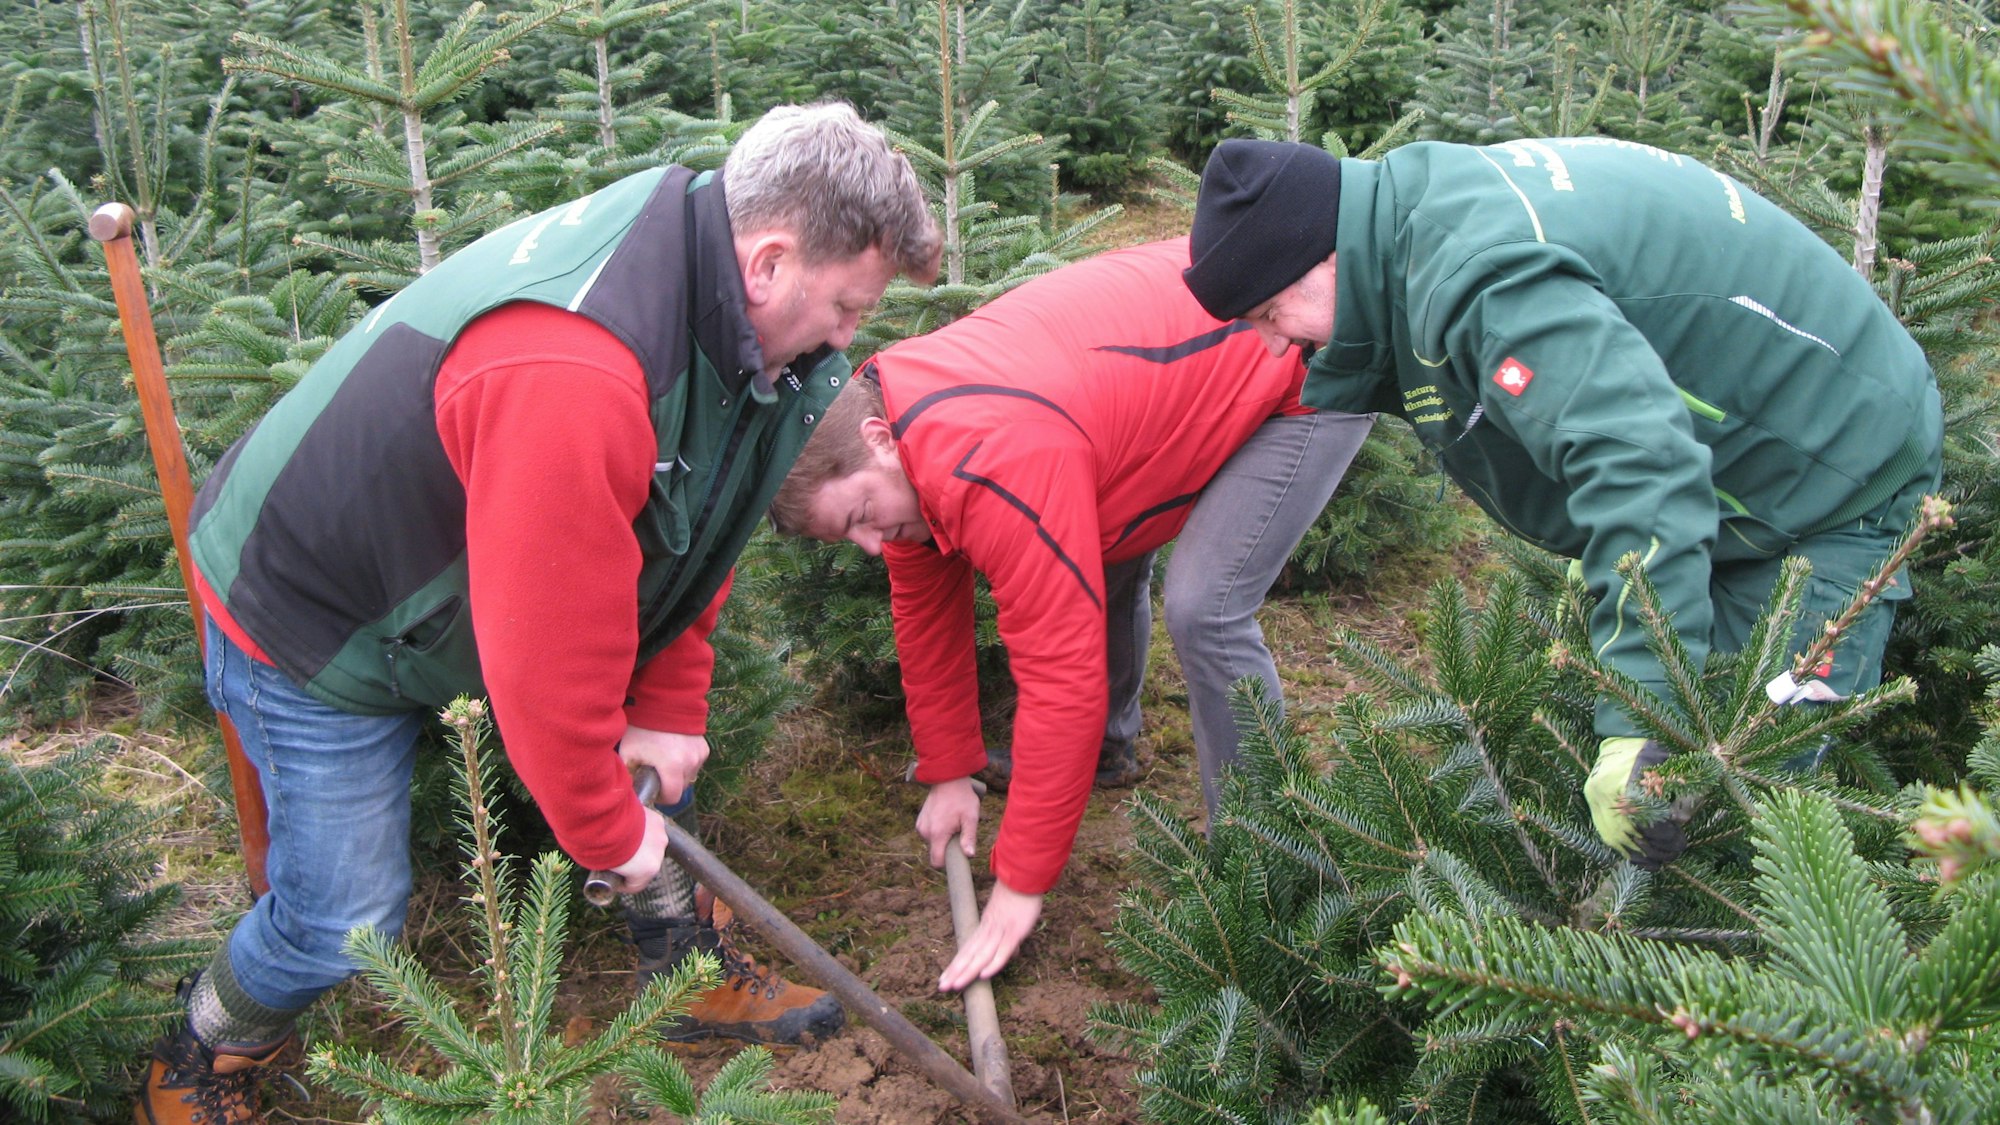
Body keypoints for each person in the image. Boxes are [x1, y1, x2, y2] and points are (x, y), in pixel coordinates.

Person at [138, 102, 939, 1125]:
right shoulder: (576, 364)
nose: (847, 337)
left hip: (447, 581)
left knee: (656, 754)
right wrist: (609, 829)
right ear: (771, 262)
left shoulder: (716, 299)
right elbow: (544, 661)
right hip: (312, 612)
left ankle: (686, 984)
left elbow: (702, 517)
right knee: (344, 912)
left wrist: (671, 709)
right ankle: (207, 1044)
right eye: (845, 307)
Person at [1183, 136, 1942, 870]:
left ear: (1327, 255)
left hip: (1841, 469)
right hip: (1744, 460)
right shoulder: (1412, 215)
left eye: (1272, 313)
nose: (1277, 346)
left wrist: (1641, 715)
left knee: (1749, 782)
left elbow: (1640, 462)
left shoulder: (1483, 282)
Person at [769, 238, 1374, 991]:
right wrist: (949, 769)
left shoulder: (992, 453)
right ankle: (1111, 751)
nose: (868, 544)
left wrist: (1021, 882)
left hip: (1305, 352)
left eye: (861, 514)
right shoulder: (891, 419)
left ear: (877, 441)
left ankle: (1266, 866)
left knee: (1204, 602)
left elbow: (1062, 673)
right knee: (1091, 549)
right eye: (845, 534)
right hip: (1163, 382)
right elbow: (924, 605)